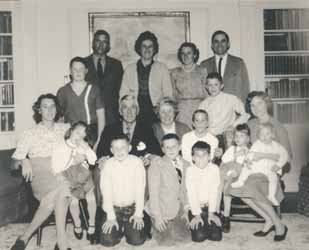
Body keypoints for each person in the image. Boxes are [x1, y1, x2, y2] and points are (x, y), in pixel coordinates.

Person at [10, 94, 72, 250]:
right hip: (41, 176)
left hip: (62, 173)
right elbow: (13, 164)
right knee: (65, 188)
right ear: (38, 110)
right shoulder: (29, 133)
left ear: (57, 109)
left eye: (52, 106)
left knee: (63, 189)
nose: (49, 110)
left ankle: (25, 237)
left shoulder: (67, 129)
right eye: (45, 106)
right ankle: (62, 243)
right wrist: (24, 160)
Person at [229, 91, 291, 242]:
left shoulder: (277, 126)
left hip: (270, 170)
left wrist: (263, 156)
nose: (255, 107)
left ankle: (278, 225)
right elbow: (241, 145)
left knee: (250, 187)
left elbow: (286, 157)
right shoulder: (250, 124)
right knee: (233, 187)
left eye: (259, 103)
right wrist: (245, 159)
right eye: (252, 104)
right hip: (251, 168)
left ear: (267, 104)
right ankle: (268, 219)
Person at [99, 134, 150, 247]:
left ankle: (137, 224)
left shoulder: (137, 163)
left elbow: (140, 190)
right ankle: (120, 229)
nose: (119, 151)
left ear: (130, 148)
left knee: (136, 241)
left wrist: (138, 214)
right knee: (107, 241)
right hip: (114, 208)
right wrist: (111, 216)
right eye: (116, 148)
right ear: (111, 150)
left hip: (132, 208)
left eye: (123, 147)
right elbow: (106, 192)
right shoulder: (108, 165)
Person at [51, 121, 98, 244]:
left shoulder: (83, 146)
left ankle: (92, 224)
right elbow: (56, 167)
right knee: (74, 201)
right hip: (70, 178)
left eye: (83, 136)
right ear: (71, 131)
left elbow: (93, 161)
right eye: (77, 133)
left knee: (91, 198)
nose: (79, 137)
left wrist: (87, 148)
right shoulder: (61, 147)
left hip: (84, 176)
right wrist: (73, 161)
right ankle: (77, 223)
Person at [119, 31, 173, 127]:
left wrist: (162, 110)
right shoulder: (129, 69)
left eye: (150, 46)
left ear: (154, 49)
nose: (147, 49)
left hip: (156, 112)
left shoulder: (162, 68)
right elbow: (123, 94)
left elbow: (168, 94)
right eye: (144, 46)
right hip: (135, 111)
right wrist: (128, 110)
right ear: (139, 48)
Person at [146, 133, 190, 246]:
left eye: (174, 146)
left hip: (179, 208)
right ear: (162, 149)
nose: (171, 149)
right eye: (167, 147)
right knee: (167, 243)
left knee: (185, 239)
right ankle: (151, 220)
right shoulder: (157, 164)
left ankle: (174, 223)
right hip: (161, 208)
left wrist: (186, 211)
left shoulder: (187, 164)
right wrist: (158, 217)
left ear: (180, 147)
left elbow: (188, 190)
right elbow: (153, 193)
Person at [232, 123, 289, 206]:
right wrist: (248, 160)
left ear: (272, 135)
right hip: (257, 166)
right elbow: (251, 153)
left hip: (270, 168)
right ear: (258, 135)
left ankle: (271, 195)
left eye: (267, 134)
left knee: (273, 177)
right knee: (246, 168)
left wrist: (279, 165)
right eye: (262, 134)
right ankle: (241, 181)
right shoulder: (257, 144)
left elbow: (285, 155)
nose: (264, 136)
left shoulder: (277, 146)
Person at [57, 56, 105, 149]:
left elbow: (101, 115)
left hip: (90, 133)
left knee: (89, 160)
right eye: (75, 69)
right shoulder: (63, 91)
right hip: (71, 132)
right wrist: (61, 137)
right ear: (70, 71)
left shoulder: (94, 89)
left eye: (81, 69)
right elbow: (59, 118)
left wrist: (99, 139)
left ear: (86, 71)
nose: (78, 72)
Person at [97, 94, 162, 159]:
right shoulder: (109, 130)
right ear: (120, 111)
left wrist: (148, 158)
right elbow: (101, 153)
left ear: (137, 111)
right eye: (125, 107)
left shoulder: (146, 130)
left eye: (133, 107)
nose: (129, 111)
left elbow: (156, 152)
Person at [199, 72, 250, 151]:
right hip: (210, 137)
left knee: (228, 158)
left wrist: (233, 126)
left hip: (227, 136)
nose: (213, 88)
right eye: (210, 85)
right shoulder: (203, 104)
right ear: (206, 87)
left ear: (222, 85)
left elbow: (246, 115)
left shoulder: (231, 99)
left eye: (216, 84)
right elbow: (201, 122)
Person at [84, 29, 124, 126]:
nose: (101, 45)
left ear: (108, 45)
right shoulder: (83, 63)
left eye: (104, 42)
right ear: (93, 43)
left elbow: (121, 90)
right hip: (90, 116)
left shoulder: (116, 65)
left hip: (112, 117)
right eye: (98, 41)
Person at [185, 141, 222, 243]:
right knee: (199, 237)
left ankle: (209, 221)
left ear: (209, 156)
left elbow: (214, 192)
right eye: (197, 155)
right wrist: (197, 216)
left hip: (210, 207)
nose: (201, 158)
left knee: (216, 237)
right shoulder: (190, 171)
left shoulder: (214, 169)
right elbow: (192, 194)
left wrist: (211, 214)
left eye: (204, 155)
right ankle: (201, 224)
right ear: (192, 158)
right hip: (195, 208)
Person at [200, 30, 250, 103]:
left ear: (228, 44)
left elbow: (245, 89)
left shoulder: (239, 63)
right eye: (216, 42)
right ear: (212, 45)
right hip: (212, 110)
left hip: (234, 109)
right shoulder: (204, 65)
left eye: (223, 41)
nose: (219, 44)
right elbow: (202, 91)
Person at [219, 123, 251, 233]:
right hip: (228, 173)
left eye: (241, 136)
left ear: (247, 138)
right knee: (224, 187)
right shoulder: (232, 149)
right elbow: (223, 163)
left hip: (241, 177)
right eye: (236, 136)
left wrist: (245, 157)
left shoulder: (249, 151)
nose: (237, 138)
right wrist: (235, 156)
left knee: (228, 188)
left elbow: (249, 167)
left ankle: (224, 215)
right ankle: (224, 216)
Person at [170, 42, 208, 127]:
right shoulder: (174, 72)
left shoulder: (202, 71)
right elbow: (172, 95)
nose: (185, 56)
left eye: (189, 53)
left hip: (198, 110)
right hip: (181, 112)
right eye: (183, 53)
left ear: (194, 55)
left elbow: (206, 95)